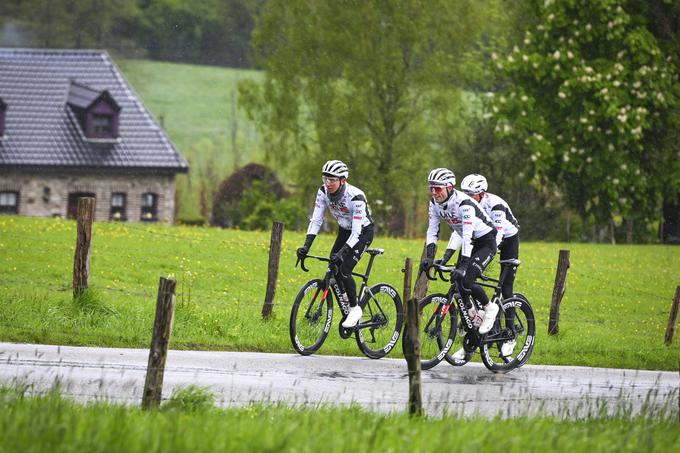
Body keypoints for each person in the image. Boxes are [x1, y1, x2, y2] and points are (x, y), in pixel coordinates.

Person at [420, 167, 499, 360]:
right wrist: (430, 257)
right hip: (467, 241)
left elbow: (468, 236)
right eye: (431, 188)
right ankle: (474, 319)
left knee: (467, 278)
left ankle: (490, 308)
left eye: (437, 188)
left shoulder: (464, 203)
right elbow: (432, 230)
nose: (433, 192)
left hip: (484, 242)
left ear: (449, 187)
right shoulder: (434, 203)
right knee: (458, 284)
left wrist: (463, 265)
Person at [296, 160, 374, 328]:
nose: (328, 183)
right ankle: (346, 298)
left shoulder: (356, 197)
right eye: (325, 178)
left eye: (332, 179)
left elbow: (356, 232)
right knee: (333, 263)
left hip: (362, 232)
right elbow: (316, 220)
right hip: (345, 230)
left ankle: (354, 309)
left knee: (344, 268)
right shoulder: (323, 191)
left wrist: (344, 252)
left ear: (343, 180)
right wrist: (306, 246)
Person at [460, 173, 520, 357]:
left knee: (506, 289)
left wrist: (489, 254)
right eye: (465, 194)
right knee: (469, 279)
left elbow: (500, 234)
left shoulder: (495, 205)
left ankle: (510, 335)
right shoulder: (469, 205)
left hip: (508, 239)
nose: (468, 198)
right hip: (486, 237)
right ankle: (477, 324)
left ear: (482, 194)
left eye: (471, 195)